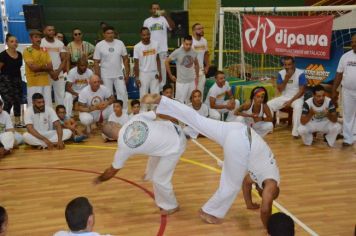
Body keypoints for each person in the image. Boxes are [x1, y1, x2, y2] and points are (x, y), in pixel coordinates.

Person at [142, 94, 280, 227]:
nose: (257, 188)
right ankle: (209, 212)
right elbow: (265, 209)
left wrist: (249, 204)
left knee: (198, 120)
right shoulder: (272, 184)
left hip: (238, 130)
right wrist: (269, 228)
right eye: (261, 191)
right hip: (242, 142)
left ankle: (163, 102)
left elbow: (246, 183)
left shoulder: (264, 174)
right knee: (231, 184)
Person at [93, 110, 187, 215]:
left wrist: (99, 178)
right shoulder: (135, 118)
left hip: (176, 145)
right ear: (117, 124)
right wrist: (175, 120)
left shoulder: (123, 147)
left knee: (160, 179)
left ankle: (171, 206)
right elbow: (158, 112)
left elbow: (112, 171)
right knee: (154, 154)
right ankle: (149, 175)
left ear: (111, 138)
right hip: (174, 128)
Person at [267, 56, 307, 138]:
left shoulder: (301, 73)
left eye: (289, 64)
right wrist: (286, 78)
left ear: (294, 64)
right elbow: (281, 90)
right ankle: (268, 128)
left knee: (298, 107)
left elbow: (301, 91)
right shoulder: (281, 73)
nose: (287, 67)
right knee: (268, 104)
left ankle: (296, 132)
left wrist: (291, 101)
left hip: (297, 98)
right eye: (285, 65)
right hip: (285, 97)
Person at [93, 25, 130, 109]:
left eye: (112, 33)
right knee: (108, 95)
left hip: (119, 74)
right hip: (105, 75)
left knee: (123, 92)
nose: (110, 35)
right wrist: (98, 77)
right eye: (108, 33)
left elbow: (125, 59)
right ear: (104, 34)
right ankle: (110, 114)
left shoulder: (120, 43)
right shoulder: (99, 45)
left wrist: (127, 74)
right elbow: (96, 62)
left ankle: (124, 112)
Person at [143, 2, 175, 91]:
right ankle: (153, 89)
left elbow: (172, 27)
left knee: (163, 70)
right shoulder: (147, 21)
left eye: (157, 8)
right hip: (151, 49)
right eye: (154, 8)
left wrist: (166, 16)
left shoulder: (164, 19)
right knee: (152, 69)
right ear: (150, 10)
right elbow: (144, 35)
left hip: (162, 50)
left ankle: (162, 90)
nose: (156, 10)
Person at [332, 34, 356, 147]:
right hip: (347, 91)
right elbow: (339, 74)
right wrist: (333, 90)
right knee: (347, 114)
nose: (354, 44)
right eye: (352, 42)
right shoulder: (345, 56)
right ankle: (348, 139)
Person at [165, 35, 200, 104]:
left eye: (190, 44)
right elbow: (166, 62)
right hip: (181, 82)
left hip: (191, 81)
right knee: (179, 103)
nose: (188, 46)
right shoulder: (177, 52)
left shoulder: (193, 52)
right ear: (183, 43)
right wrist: (170, 75)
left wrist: (197, 76)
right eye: (186, 44)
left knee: (190, 102)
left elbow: (196, 64)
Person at [134, 27, 161, 111]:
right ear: (141, 35)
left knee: (155, 95)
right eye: (144, 35)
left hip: (154, 73)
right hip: (143, 74)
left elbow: (158, 59)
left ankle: (155, 113)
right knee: (143, 95)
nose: (146, 36)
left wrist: (160, 73)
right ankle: (143, 114)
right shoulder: (137, 47)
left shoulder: (156, 44)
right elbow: (136, 63)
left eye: (148, 34)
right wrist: (137, 77)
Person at [23, 30, 53, 106]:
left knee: (47, 106)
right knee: (34, 106)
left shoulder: (44, 50)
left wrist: (39, 67)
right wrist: (44, 67)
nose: (38, 39)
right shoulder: (27, 50)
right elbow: (33, 68)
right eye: (36, 37)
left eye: (39, 37)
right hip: (33, 83)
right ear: (31, 38)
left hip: (45, 82)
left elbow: (50, 66)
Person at [0, 33, 24, 128]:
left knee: (17, 100)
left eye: (16, 41)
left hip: (17, 80)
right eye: (12, 41)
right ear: (7, 43)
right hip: (5, 81)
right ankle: (4, 123)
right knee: (8, 101)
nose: (15, 43)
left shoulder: (20, 54)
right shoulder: (2, 55)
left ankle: (17, 122)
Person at [41, 25, 67, 105]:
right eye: (49, 30)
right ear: (44, 32)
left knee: (60, 94)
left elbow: (64, 59)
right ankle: (48, 116)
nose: (51, 32)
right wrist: (51, 72)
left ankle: (60, 115)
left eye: (53, 30)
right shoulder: (41, 42)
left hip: (58, 72)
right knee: (46, 95)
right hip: (46, 72)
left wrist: (57, 72)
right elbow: (41, 60)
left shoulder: (60, 43)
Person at [192, 23, 210, 95]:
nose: (202, 30)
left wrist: (207, 66)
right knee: (192, 92)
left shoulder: (204, 41)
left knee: (200, 92)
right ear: (193, 31)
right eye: (199, 29)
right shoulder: (189, 41)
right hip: (191, 71)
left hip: (201, 70)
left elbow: (206, 54)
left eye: (202, 28)